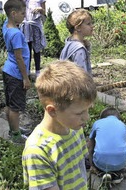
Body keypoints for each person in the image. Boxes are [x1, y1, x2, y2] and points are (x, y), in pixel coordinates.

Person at [22, 60, 96, 190]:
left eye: (88, 110)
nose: (87, 117)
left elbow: (81, 169)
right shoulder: (38, 151)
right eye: (80, 113)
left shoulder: (75, 129)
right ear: (52, 111)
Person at [2, 0, 31, 143]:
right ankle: (15, 136)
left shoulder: (6, 25)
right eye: (22, 13)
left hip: (8, 70)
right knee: (15, 107)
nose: (24, 15)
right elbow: (19, 58)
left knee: (9, 104)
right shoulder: (17, 34)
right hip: (16, 74)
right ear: (13, 13)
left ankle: (14, 128)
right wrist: (25, 78)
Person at [88, 107, 126, 184]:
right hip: (120, 163)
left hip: (100, 162)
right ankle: (116, 174)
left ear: (102, 117)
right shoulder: (124, 125)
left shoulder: (98, 123)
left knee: (92, 142)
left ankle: (100, 172)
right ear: (118, 117)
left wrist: (92, 165)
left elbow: (91, 146)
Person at [19, 0, 47, 77]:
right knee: (27, 49)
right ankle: (27, 71)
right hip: (26, 26)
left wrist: (40, 9)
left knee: (36, 49)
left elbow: (44, 12)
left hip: (36, 26)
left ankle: (37, 71)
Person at [59, 9, 93, 74]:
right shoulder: (79, 50)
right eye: (88, 24)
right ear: (78, 28)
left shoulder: (69, 42)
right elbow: (82, 76)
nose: (92, 26)